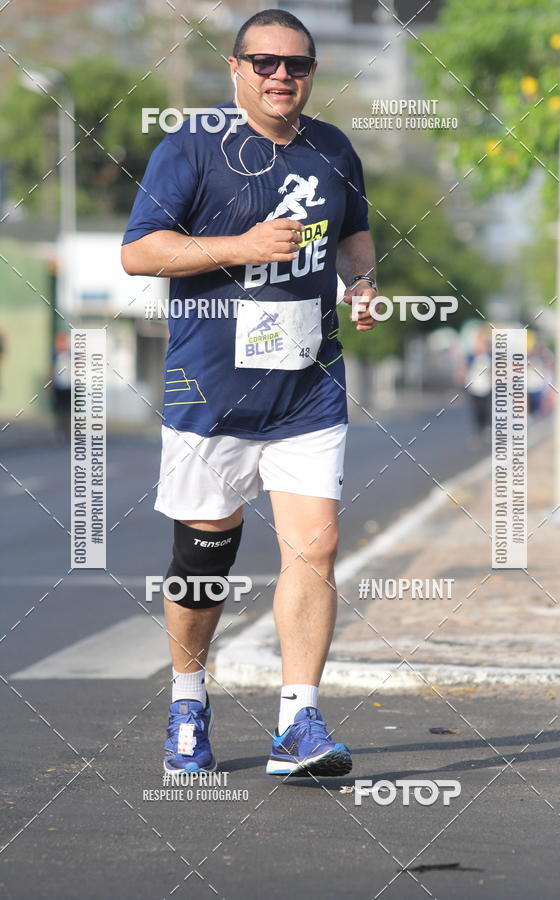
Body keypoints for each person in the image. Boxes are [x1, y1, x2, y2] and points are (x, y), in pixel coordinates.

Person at [121, 8, 378, 778]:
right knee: (205, 560)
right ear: (236, 69)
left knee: (318, 544)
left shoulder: (333, 150)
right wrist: (241, 247)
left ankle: (297, 722)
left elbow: (354, 230)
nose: (280, 76)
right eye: (264, 62)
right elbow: (139, 252)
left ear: (311, 76)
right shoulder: (191, 147)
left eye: (295, 66)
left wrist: (361, 281)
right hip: (209, 393)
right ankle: (189, 701)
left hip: (307, 389)